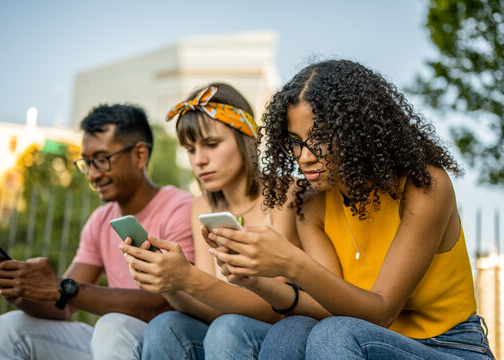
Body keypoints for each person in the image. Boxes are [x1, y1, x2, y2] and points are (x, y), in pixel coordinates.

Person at [208, 60, 495, 359]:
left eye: (318, 138)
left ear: (357, 132)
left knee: (334, 333)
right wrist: (252, 279)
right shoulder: (310, 202)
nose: (304, 157)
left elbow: (381, 311)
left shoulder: (424, 186)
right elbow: (329, 308)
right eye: (294, 142)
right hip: (356, 341)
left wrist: (290, 262)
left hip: (451, 347)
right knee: (281, 329)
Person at [0, 104, 194, 360]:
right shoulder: (100, 220)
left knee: (112, 326)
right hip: (113, 346)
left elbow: (167, 302)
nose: (93, 174)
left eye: (103, 160)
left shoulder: (180, 209)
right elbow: (61, 305)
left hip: (166, 343)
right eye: (87, 162)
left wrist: (62, 288)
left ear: (140, 155)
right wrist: (23, 291)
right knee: (8, 327)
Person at [119, 83, 300, 359]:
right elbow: (213, 308)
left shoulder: (284, 193)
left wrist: (188, 279)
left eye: (211, 144)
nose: (199, 160)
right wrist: (170, 285)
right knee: (165, 326)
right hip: (224, 335)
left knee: (226, 330)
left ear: (245, 138)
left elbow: (277, 308)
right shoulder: (201, 206)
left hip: (282, 338)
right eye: (190, 150)